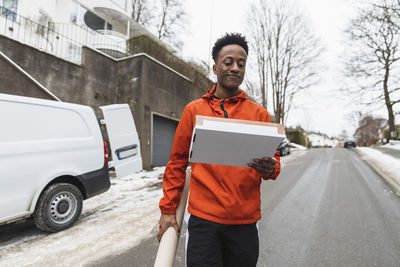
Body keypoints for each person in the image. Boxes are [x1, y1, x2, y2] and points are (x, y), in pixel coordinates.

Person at [157, 33, 281, 267]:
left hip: (245, 224)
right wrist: (168, 209)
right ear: (215, 67)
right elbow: (177, 164)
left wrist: (272, 167)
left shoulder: (259, 115)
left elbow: (273, 166)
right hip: (204, 223)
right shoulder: (194, 111)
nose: (235, 68)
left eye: (241, 64)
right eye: (228, 62)